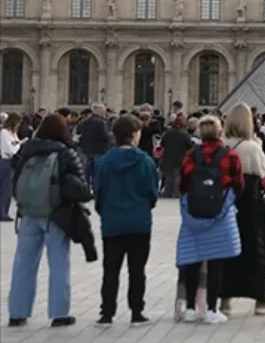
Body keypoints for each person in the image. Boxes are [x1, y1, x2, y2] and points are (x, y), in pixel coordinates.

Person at [7, 113, 92, 328]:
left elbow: (15, 175)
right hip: (56, 214)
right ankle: (59, 313)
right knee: (58, 263)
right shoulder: (66, 153)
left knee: (23, 264)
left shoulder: (27, 150)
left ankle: (17, 313)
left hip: (28, 213)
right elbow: (81, 187)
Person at [176, 115, 244, 325]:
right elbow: (238, 185)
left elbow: (182, 185)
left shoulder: (190, 155)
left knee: (192, 262)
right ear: (220, 133)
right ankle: (212, 309)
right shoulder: (231, 155)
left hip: (194, 215)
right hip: (220, 215)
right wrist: (225, 204)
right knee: (216, 264)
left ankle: (189, 308)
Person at [93, 114, 158, 327]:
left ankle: (106, 313)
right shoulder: (146, 161)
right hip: (139, 222)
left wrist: (106, 212)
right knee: (137, 270)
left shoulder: (104, 162)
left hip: (112, 222)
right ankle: (137, 312)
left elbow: (99, 192)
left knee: (110, 270)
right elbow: (152, 193)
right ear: (133, 135)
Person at [218, 103, 265, 316]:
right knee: (256, 251)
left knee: (226, 251)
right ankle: (263, 301)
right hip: (250, 204)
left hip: (226, 204)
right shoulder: (252, 147)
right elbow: (263, 172)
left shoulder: (221, 145)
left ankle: (224, 300)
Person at [159, 116, 193, 199]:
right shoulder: (184, 134)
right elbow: (190, 146)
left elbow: (162, 144)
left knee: (168, 177)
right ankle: (175, 193)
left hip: (168, 158)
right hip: (180, 158)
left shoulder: (167, 133)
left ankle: (167, 193)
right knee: (177, 176)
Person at [0, 112, 23, 221]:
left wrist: (16, 144)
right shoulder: (4, 132)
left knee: (8, 188)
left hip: (11, 161)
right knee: (5, 188)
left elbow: (14, 146)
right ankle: (2, 212)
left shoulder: (13, 133)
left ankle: (4, 211)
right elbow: (8, 149)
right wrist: (17, 144)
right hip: (6, 160)